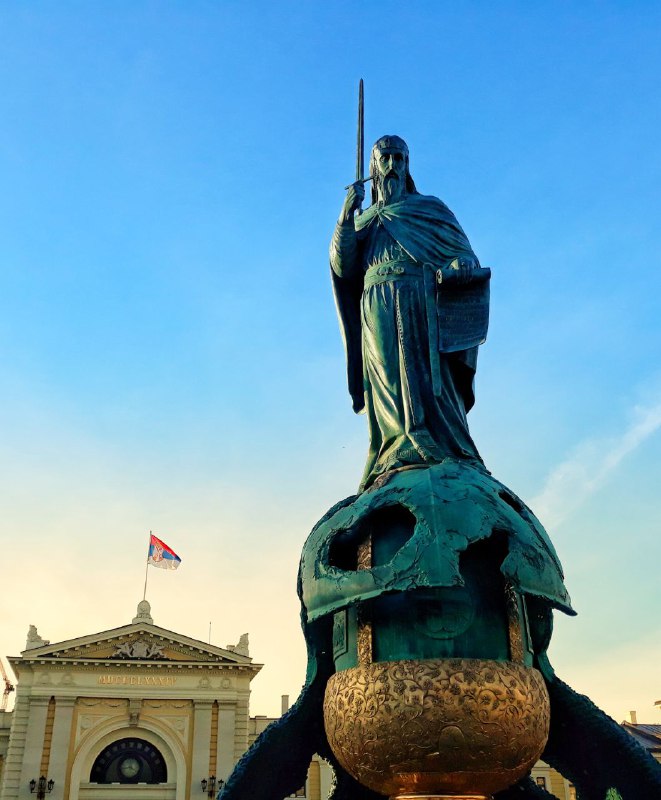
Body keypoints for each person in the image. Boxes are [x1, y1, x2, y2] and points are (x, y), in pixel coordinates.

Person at [330, 135, 489, 489]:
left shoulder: (429, 209)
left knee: (428, 377)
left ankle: (445, 445)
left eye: (398, 158)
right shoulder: (364, 219)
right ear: (373, 166)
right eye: (385, 158)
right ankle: (393, 450)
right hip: (377, 305)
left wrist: (462, 263)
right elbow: (344, 267)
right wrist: (345, 217)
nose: (392, 165)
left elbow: (462, 253)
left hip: (420, 298)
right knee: (387, 375)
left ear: (407, 165)